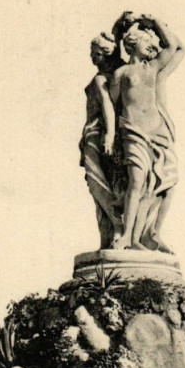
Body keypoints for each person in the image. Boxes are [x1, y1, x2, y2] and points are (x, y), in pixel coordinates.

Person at [109, 15, 185, 251]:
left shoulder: (152, 68)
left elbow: (173, 46)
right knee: (136, 182)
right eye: (146, 42)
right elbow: (112, 107)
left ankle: (151, 233)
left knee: (167, 182)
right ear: (131, 44)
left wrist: (154, 22)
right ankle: (127, 237)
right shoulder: (121, 73)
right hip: (134, 132)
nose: (152, 47)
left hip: (157, 133)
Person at [80, 32, 124, 248]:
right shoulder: (106, 78)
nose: (92, 57)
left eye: (96, 53)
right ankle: (107, 237)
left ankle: (118, 225)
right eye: (92, 53)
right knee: (98, 186)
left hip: (97, 136)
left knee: (97, 182)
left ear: (107, 54)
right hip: (92, 137)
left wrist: (109, 135)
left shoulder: (101, 80)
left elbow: (107, 107)